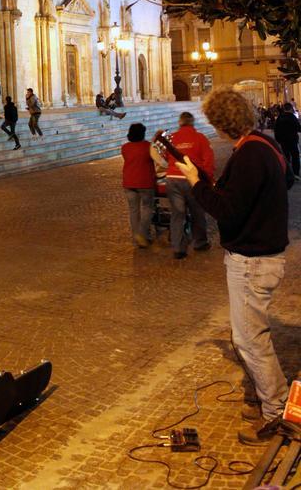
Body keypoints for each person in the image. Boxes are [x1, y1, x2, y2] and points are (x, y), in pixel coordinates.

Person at [176, 87, 293, 445]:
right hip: (262, 255)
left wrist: (195, 183)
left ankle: (276, 411)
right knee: (249, 337)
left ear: (222, 123)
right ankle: (265, 398)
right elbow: (280, 182)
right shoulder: (261, 143)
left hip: (253, 260)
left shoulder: (250, 154)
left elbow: (226, 209)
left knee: (250, 340)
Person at [163, 111, 215, 259]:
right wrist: (208, 179)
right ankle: (200, 242)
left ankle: (178, 248)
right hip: (192, 179)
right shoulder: (200, 138)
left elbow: (166, 156)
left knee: (177, 214)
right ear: (192, 123)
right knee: (197, 212)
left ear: (180, 123)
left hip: (173, 178)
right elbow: (208, 160)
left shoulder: (172, 138)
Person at [121, 123, 158, 248]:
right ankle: (142, 234)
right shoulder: (148, 147)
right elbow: (158, 159)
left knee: (133, 210)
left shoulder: (125, 147)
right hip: (145, 182)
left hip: (129, 182)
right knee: (147, 207)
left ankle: (136, 237)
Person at [274, 102, 300, 177]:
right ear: (291, 108)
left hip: (283, 141)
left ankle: (287, 173)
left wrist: (278, 140)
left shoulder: (280, 117)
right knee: (295, 156)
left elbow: (276, 129)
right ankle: (296, 173)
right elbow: (298, 128)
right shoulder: (293, 117)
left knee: (286, 157)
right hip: (293, 141)